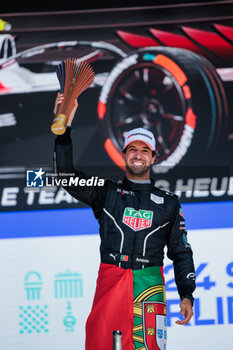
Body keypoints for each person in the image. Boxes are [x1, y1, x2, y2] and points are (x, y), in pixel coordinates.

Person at [53, 93, 196, 350]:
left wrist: (187, 294)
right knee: (100, 344)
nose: (138, 155)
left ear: (153, 157)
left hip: (149, 285)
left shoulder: (170, 202)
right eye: (132, 150)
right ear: (124, 155)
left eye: (144, 151)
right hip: (110, 280)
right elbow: (65, 177)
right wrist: (63, 128)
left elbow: (181, 251)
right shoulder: (105, 192)